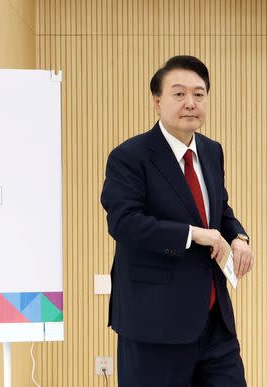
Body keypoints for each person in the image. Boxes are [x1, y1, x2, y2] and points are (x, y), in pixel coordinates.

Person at [101, 55, 255, 386]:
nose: (190, 103)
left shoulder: (212, 151)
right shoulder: (130, 156)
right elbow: (124, 223)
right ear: (157, 102)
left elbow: (219, 209)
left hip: (214, 323)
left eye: (199, 95)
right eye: (179, 94)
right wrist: (192, 234)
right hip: (154, 324)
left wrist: (239, 237)